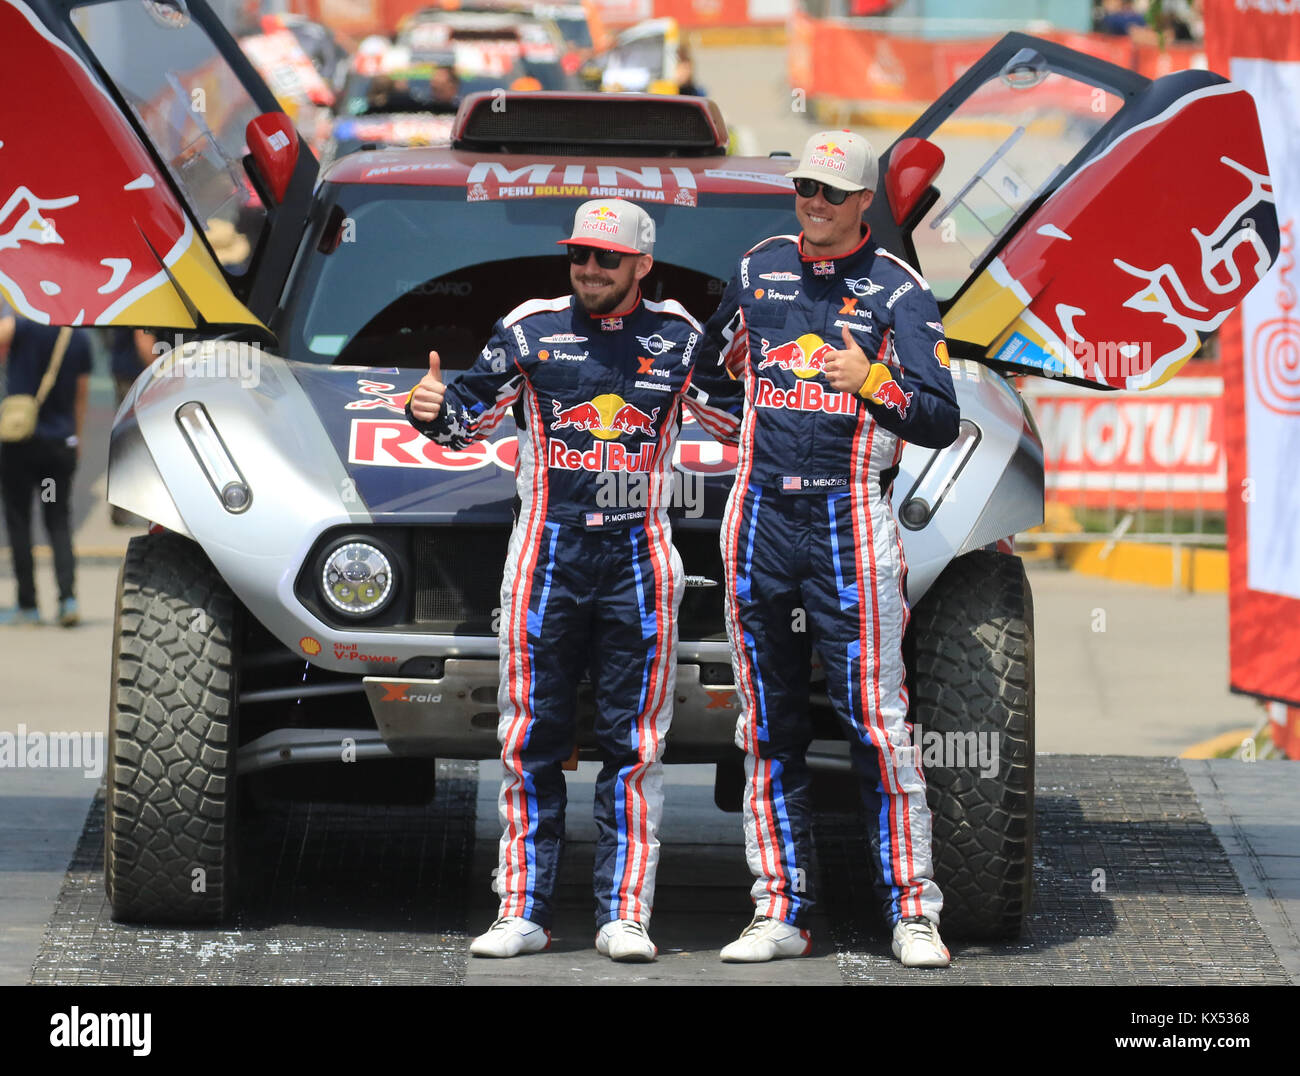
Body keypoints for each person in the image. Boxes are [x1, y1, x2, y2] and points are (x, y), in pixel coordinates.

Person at [405, 199, 741, 962]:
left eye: (606, 259)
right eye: (580, 256)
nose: (590, 270)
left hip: (641, 557)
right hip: (545, 555)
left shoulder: (682, 336)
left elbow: (743, 420)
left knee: (636, 746)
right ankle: (520, 908)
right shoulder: (529, 327)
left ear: (641, 266)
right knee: (527, 739)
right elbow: (465, 420)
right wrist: (427, 410)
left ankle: (625, 914)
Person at [693, 130, 960, 967]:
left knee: (878, 726)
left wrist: (871, 383)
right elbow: (705, 373)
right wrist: (752, 433)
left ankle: (914, 912)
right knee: (765, 726)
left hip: (851, 523)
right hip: (760, 517)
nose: (813, 201)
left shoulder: (902, 293)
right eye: (805, 186)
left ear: (862, 204)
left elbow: (940, 418)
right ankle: (779, 910)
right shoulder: (757, 267)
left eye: (831, 192)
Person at [0, 312, 93, 627]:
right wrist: (76, 437)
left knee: (20, 521)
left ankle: (29, 605)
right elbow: (81, 395)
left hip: (20, 444)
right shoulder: (78, 337)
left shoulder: (22, 327)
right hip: (57, 446)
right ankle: (67, 598)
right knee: (56, 519)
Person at [105, 327, 155, 526]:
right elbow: (143, 339)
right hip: (137, 376)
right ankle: (127, 506)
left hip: (128, 373)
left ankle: (121, 507)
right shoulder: (149, 299)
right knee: (139, 442)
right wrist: (169, 373)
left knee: (127, 441)